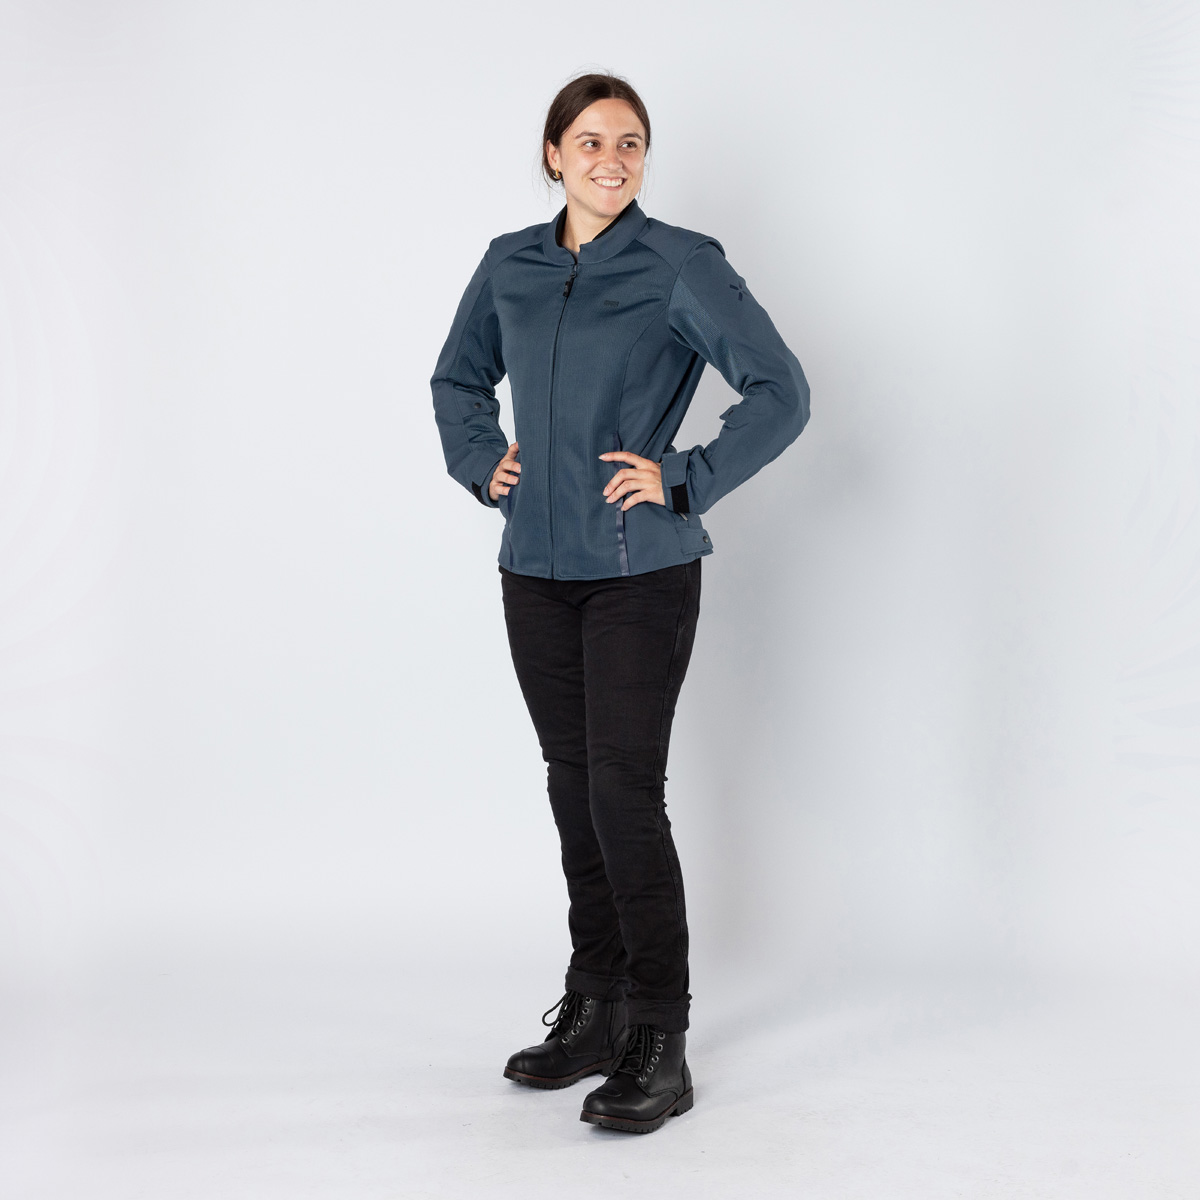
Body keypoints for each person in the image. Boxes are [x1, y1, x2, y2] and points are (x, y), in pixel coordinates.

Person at [430, 70, 810, 1135]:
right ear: (554, 154)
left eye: (630, 142)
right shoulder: (509, 264)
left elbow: (782, 390)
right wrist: (482, 461)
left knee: (622, 795)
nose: (611, 159)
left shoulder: (679, 263)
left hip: (640, 569)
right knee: (572, 789)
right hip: (534, 569)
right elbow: (457, 381)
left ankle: (659, 1038)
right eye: (590, 141)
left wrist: (685, 476)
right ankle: (594, 1006)